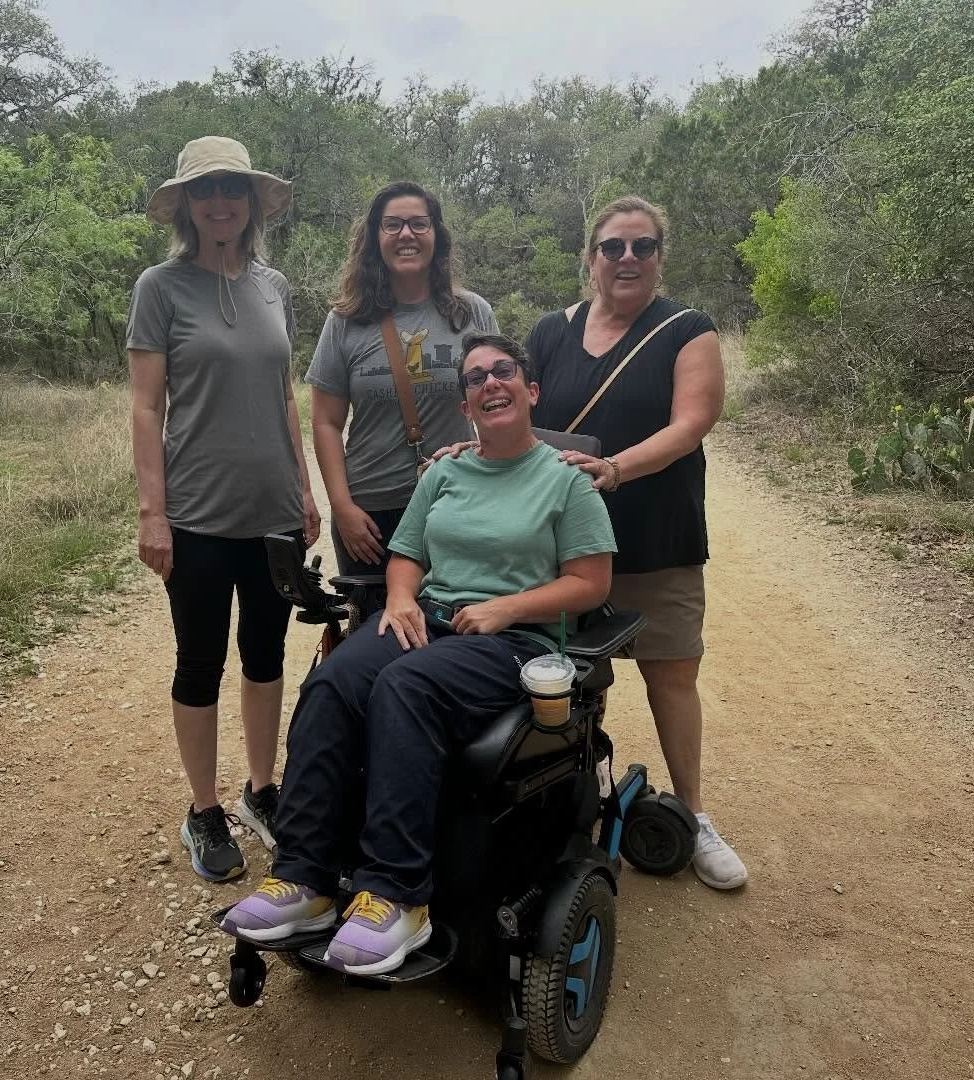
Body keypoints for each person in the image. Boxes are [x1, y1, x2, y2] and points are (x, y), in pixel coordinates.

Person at [219, 334, 617, 975]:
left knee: (406, 687)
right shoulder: (446, 472)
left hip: (513, 639)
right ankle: (307, 879)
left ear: (530, 391)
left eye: (503, 372)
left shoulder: (566, 480)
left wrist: (506, 608)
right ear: (466, 405)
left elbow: (591, 583)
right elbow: (407, 556)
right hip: (429, 619)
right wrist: (401, 599)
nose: (490, 383)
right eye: (476, 378)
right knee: (335, 680)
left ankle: (399, 896)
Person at [525, 195, 748, 890]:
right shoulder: (547, 333)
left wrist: (616, 469)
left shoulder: (688, 330)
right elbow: (514, 422)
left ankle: (692, 812)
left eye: (642, 247)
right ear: (589, 257)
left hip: (656, 537)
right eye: (613, 246)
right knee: (562, 677)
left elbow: (693, 422)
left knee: (671, 674)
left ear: (659, 257)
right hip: (562, 545)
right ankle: (566, 806)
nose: (627, 259)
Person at [126, 136, 320, 883]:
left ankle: (261, 789)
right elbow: (146, 408)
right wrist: (153, 511)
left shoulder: (274, 287)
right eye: (206, 191)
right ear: (186, 205)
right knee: (200, 661)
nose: (220, 204)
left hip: (272, 510)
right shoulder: (160, 288)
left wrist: (303, 488)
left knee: (267, 656)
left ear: (249, 202)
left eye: (232, 190)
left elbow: (283, 396)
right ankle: (204, 809)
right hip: (198, 513)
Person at [307, 181, 498, 576]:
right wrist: (343, 509)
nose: (406, 234)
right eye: (392, 225)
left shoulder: (472, 313)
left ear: (436, 236)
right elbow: (326, 423)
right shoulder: (346, 320)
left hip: (456, 499)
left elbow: (498, 406)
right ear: (375, 238)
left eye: (418, 224)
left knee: (453, 627)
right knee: (374, 629)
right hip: (371, 513)